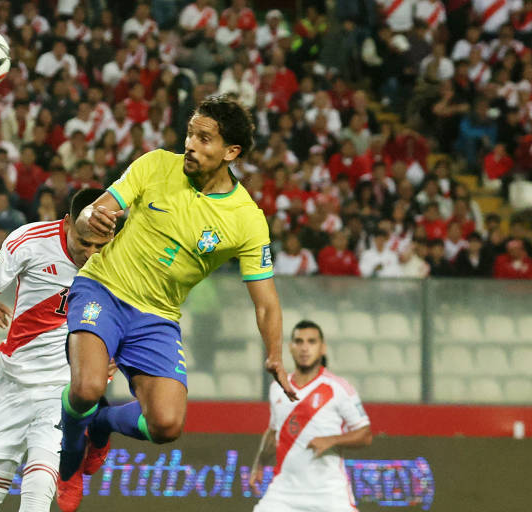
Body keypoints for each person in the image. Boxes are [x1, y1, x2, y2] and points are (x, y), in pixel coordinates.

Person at [57, 96, 297, 509]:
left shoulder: (246, 219)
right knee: (87, 386)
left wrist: (275, 354)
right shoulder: (155, 165)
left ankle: (101, 424)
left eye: (205, 139)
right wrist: (87, 219)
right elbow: (95, 211)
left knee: (166, 424)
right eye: (190, 133)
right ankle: (67, 463)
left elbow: (266, 302)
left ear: (230, 152)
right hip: (103, 289)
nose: (190, 143)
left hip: (157, 318)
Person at [0, 189, 112, 512]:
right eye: (84, 243)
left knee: (41, 483)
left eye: (100, 245)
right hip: (14, 379)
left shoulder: (120, 255)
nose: (91, 253)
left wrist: (116, 355)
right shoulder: (31, 240)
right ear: (69, 222)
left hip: (63, 384)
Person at [251, 320, 373, 512]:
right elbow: (274, 431)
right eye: (299, 342)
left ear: (322, 348)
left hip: (328, 492)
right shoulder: (278, 388)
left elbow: (365, 434)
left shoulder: (338, 388)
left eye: (311, 342)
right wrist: (259, 464)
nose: (304, 348)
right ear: (290, 348)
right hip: (284, 492)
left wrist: (331, 440)